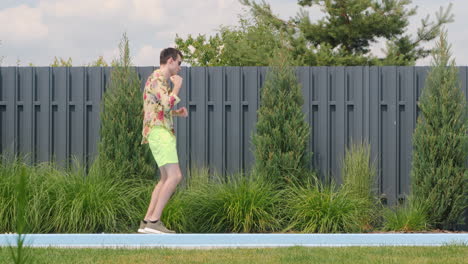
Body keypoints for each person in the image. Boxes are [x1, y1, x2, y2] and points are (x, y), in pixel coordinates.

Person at [138, 47, 188, 234]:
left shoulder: (158, 80)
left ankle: (147, 221)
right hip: (159, 132)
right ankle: (154, 221)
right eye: (179, 63)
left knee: (165, 178)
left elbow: (159, 108)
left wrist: (177, 112)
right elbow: (166, 103)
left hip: (157, 130)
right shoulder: (158, 79)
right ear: (170, 61)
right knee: (175, 176)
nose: (180, 67)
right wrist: (177, 87)